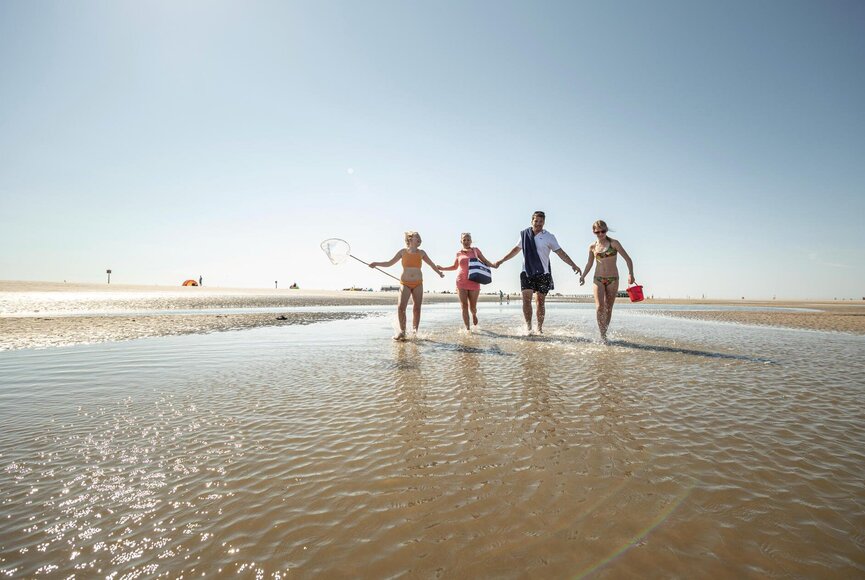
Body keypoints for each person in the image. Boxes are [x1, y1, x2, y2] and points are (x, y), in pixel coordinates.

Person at [494, 210, 582, 334]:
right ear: (532, 221)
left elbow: (560, 252)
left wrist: (573, 265)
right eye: (536, 221)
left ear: (544, 222)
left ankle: (539, 329)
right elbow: (515, 250)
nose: (538, 223)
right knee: (526, 300)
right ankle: (529, 328)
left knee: (540, 302)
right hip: (527, 271)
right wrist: (501, 260)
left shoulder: (549, 237)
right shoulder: (524, 234)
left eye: (541, 221)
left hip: (543, 273)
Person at [369, 231, 444, 340]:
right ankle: (402, 332)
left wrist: (439, 273)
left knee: (417, 308)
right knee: (401, 308)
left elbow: (432, 264)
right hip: (405, 283)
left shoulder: (422, 253)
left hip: (418, 283)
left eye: (419, 237)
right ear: (409, 239)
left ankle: (414, 333)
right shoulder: (402, 252)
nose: (419, 238)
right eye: (416, 237)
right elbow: (389, 263)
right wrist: (376, 263)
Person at [579, 220, 635, 341]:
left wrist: (631, 274)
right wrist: (583, 276)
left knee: (608, 307)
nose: (600, 234)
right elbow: (589, 263)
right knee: (600, 307)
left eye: (603, 231)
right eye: (597, 232)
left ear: (606, 230)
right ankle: (602, 335)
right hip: (597, 278)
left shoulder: (614, 243)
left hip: (613, 279)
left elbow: (628, 259)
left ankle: (605, 332)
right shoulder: (592, 246)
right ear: (593, 232)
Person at [437, 232, 496, 332]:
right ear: (461, 241)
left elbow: (485, 261)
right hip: (461, 282)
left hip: (474, 282)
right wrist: (442, 268)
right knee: (464, 306)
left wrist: (494, 265)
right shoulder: (458, 253)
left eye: (468, 239)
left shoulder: (476, 251)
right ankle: (468, 330)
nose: (466, 241)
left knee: (472, 307)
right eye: (464, 239)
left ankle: (474, 314)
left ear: (471, 241)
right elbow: (455, 267)